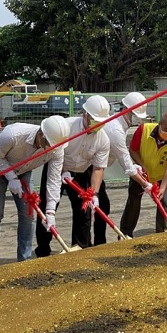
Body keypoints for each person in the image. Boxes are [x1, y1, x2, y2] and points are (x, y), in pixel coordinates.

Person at [0, 115, 70, 267]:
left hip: (24, 170)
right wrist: (10, 177)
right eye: (50, 144)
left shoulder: (57, 149)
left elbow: (54, 180)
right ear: (42, 135)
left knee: (28, 214)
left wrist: (50, 211)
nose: (52, 149)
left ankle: (24, 259)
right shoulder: (13, 135)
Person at [34, 96, 110, 257]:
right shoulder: (66, 127)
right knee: (48, 206)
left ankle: (80, 247)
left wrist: (94, 194)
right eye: (95, 120)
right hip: (57, 167)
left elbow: (98, 168)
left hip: (82, 172)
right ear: (85, 114)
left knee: (84, 210)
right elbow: (54, 152)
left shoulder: (103, 139)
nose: (98, 125)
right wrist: (64, 170)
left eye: (101, 122)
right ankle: (43, 250)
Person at [97, 91, 151, 245]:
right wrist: (145, 184)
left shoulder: (122, 125)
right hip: (90, 167)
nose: (138, 118)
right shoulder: (116, 129)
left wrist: (135, 167)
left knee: (101, 206)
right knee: (98, 206)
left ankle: (98, 242)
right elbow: (126, 165)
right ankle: (92, 243)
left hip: (97, 166)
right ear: (127, 110)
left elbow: (127, 160)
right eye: (135, 114)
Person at [122, 111, 167, 236]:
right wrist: (142, 166)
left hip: (160, 177)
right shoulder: (144, 129)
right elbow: (133, 150)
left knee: (164, 202)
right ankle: (125, 233)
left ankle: (163, 233)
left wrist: (163, 187)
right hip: (141, 174)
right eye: (166, 129)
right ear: (159, 124)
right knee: (133, 201)